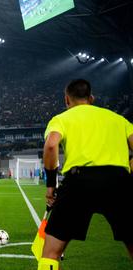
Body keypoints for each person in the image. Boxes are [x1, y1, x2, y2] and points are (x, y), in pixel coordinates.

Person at [39, 79, 133, 270]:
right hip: (119, 182)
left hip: (79, 183)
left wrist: (51, 185)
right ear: (91, 98)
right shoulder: (118, 119)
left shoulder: (61, 119)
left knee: (51, 252)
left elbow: (50, 145)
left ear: (67, 100)